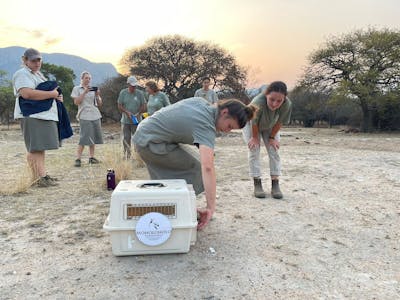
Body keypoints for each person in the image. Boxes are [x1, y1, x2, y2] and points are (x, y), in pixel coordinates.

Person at [133, 97, 256, 230]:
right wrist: (211, 208)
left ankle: (175, 206)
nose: (227, 131)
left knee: (191, 166)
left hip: (147, 133)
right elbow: (207, 167)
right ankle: (175, 208)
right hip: (149, 142)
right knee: (197, 170)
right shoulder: (206, 125)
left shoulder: (201, 102)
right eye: (229, 126)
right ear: (224, 112)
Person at [12, 48, 63, 187]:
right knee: (34, 147)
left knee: (40, 147)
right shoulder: (22, 74)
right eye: (33, 60)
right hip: (32, 114)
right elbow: (27, 93)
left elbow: (45, 92)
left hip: (42, 115)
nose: (36, 62)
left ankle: (41, 176)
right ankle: (39, 178)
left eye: (38, 59)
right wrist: (52, 94)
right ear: (25, 60)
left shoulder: (38, 75)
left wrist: (57, 96)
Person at [242, 81, 292, 199]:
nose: (275, 104)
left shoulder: (287, 104)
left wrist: (272, 138)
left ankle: (275, 184)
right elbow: (254, 122)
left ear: (284, 98)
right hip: (251, 124)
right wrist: (254, 138)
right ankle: (257, 183)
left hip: (270, 125)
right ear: (266, 95)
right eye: (272, 99)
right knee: (254, 150)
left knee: (274, 150)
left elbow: (280, 121)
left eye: (279, 101)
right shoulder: (257, 103)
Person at [71, 71, 103, 167]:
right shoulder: (77, 89)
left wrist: (97, 95)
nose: (88, 80)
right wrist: (84, 92)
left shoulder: (93, 89)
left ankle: (91, 157)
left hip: (95, 115)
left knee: (93, 137)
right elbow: (77, 102)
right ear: (82, 79)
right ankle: (78, 158)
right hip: (84, 115)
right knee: (84, 137)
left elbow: (100, 104)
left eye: (89, 78)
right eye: (86, 78)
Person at [117, 76, 146, 159]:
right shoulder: (123, 93)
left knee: (137, 138)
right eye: (132, 86)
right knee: (126, 138)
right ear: (128, 84)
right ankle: (127, 155)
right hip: (125, 121)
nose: (134, 87)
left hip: (136, 121)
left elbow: (143, 105)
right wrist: (127, 112)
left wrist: (138, 113)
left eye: (135, 86)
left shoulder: (139, 93)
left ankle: (138, 156)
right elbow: (119, 105)